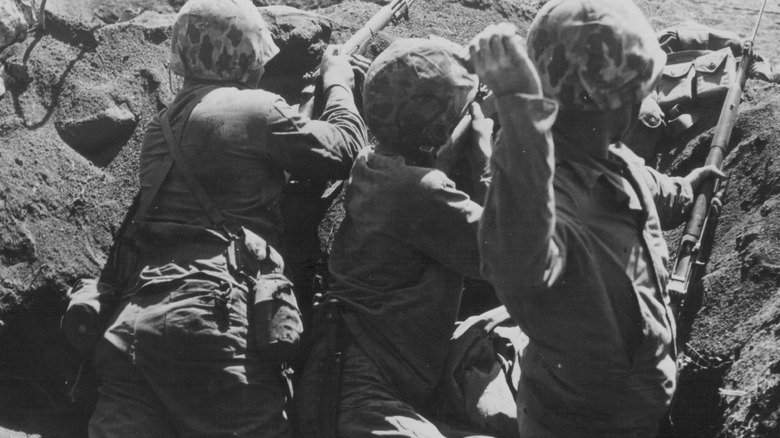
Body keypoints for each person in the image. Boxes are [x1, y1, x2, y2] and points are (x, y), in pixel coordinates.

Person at [87, 0, 367, 436]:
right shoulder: (259, 108)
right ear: (247, 53)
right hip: (214, 317)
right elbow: (344, 147)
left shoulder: (158, 129)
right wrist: (339, 84)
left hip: (135, 321)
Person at [469, 1, 725, 436]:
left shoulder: (611, 156)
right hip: (576, 423)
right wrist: (518, 113)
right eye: (634, 92)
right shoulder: (543, 196)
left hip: (633, 408)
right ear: (609, 103)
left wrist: (686, 187)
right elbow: (521, 255)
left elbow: (644, 190)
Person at [295, 38, 496, 437]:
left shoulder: (371, 163)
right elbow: (511, 252)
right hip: (364, 399)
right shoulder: (421, 189)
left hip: (350, 382)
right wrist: (488, 160)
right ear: (439, 128)